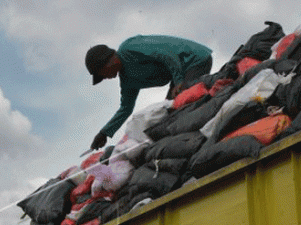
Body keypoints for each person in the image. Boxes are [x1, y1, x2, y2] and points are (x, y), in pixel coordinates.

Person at [85, 35, 213, 150]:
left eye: (102, 73)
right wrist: (105, 133)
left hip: (192, 60)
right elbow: (126, 108)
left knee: (183, 106)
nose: (105, 78)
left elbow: (166, 54)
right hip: (179, 75)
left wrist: (179, 82)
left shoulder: (129, 48)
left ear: (107, 61)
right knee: (166, 114)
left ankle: (205, 137)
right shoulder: (127, 80)